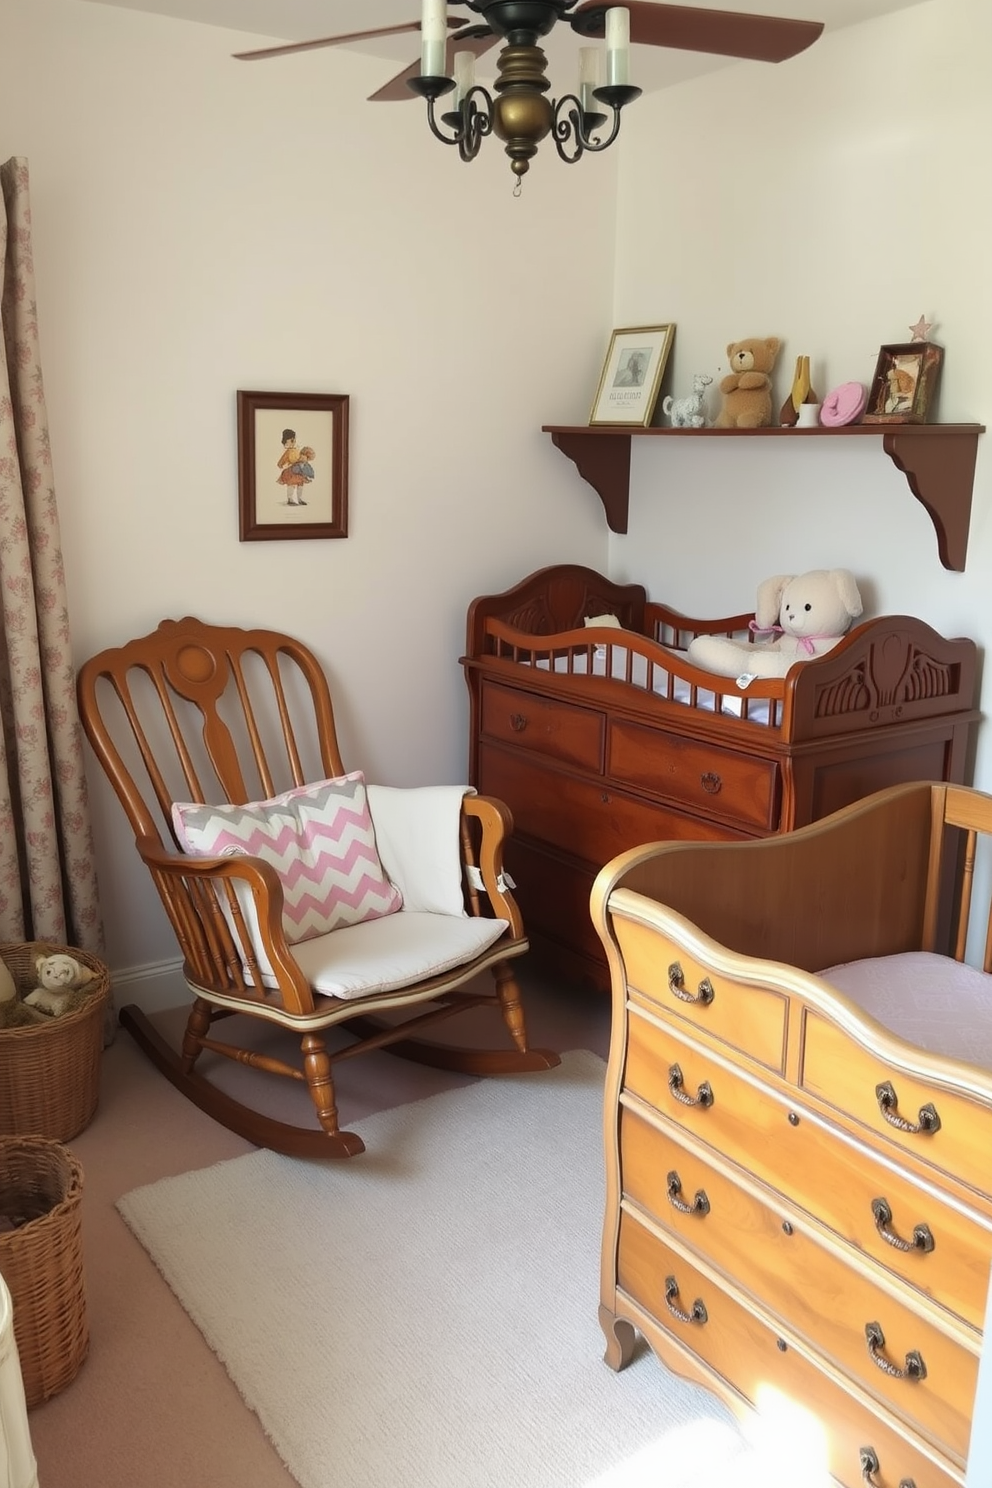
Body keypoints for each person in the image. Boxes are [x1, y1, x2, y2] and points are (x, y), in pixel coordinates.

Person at [277, 428, 310, 505]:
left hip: (299, 471)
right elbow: (280, 463)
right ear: (285, 443)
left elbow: (301, 458)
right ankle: (290, 499)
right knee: (291, 485)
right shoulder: (288, 452)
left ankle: (299, 499)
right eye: (291, 441)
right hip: (291, 472)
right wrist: (285, 465)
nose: (293, 442)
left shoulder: (297, 450)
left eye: (294, 440)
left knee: (300, 484)